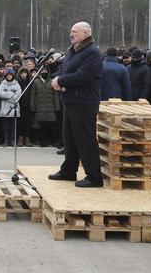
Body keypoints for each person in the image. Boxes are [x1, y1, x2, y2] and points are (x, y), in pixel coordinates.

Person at [49, 22, 103, 188]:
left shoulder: (92, 52)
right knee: (70, 138)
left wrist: (61, 80)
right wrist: (57, 77)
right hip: (70, 99)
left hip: (84, 102)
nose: (71, 34)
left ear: (85, 33)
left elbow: (83, 76)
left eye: (75, 32)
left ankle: (94, 176)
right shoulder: (74, 50)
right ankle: (68, 170)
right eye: (71, 31)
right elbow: (66, 70)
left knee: (85, 139)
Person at [0, 69, 21, 147]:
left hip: (13, 108)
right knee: (5, 126)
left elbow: (17, 96)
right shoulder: (2, 84)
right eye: (7, 75)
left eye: (10, 75)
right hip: (4, 108)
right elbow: (1, 94)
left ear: (13, 75)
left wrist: (7, 97)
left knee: (12, 127)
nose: (9, 76)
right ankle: (6, 141)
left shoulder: (17, 85)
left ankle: (12, 141)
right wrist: (11, 94)